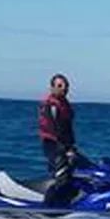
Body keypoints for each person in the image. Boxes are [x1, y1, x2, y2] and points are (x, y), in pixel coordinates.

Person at [38, 73, 78, 205]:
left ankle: (67, 200)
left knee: (73, 171)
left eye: (66, 86)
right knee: (61, 175)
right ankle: (48, 206)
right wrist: (63, 148)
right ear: (52, 87)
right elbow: (53, 127)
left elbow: (68, 129)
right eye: (60, 86)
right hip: (53, 144)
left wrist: (71, 146)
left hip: (65, 145)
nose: (64, 88)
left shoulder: (65, 104)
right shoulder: (51, 105)